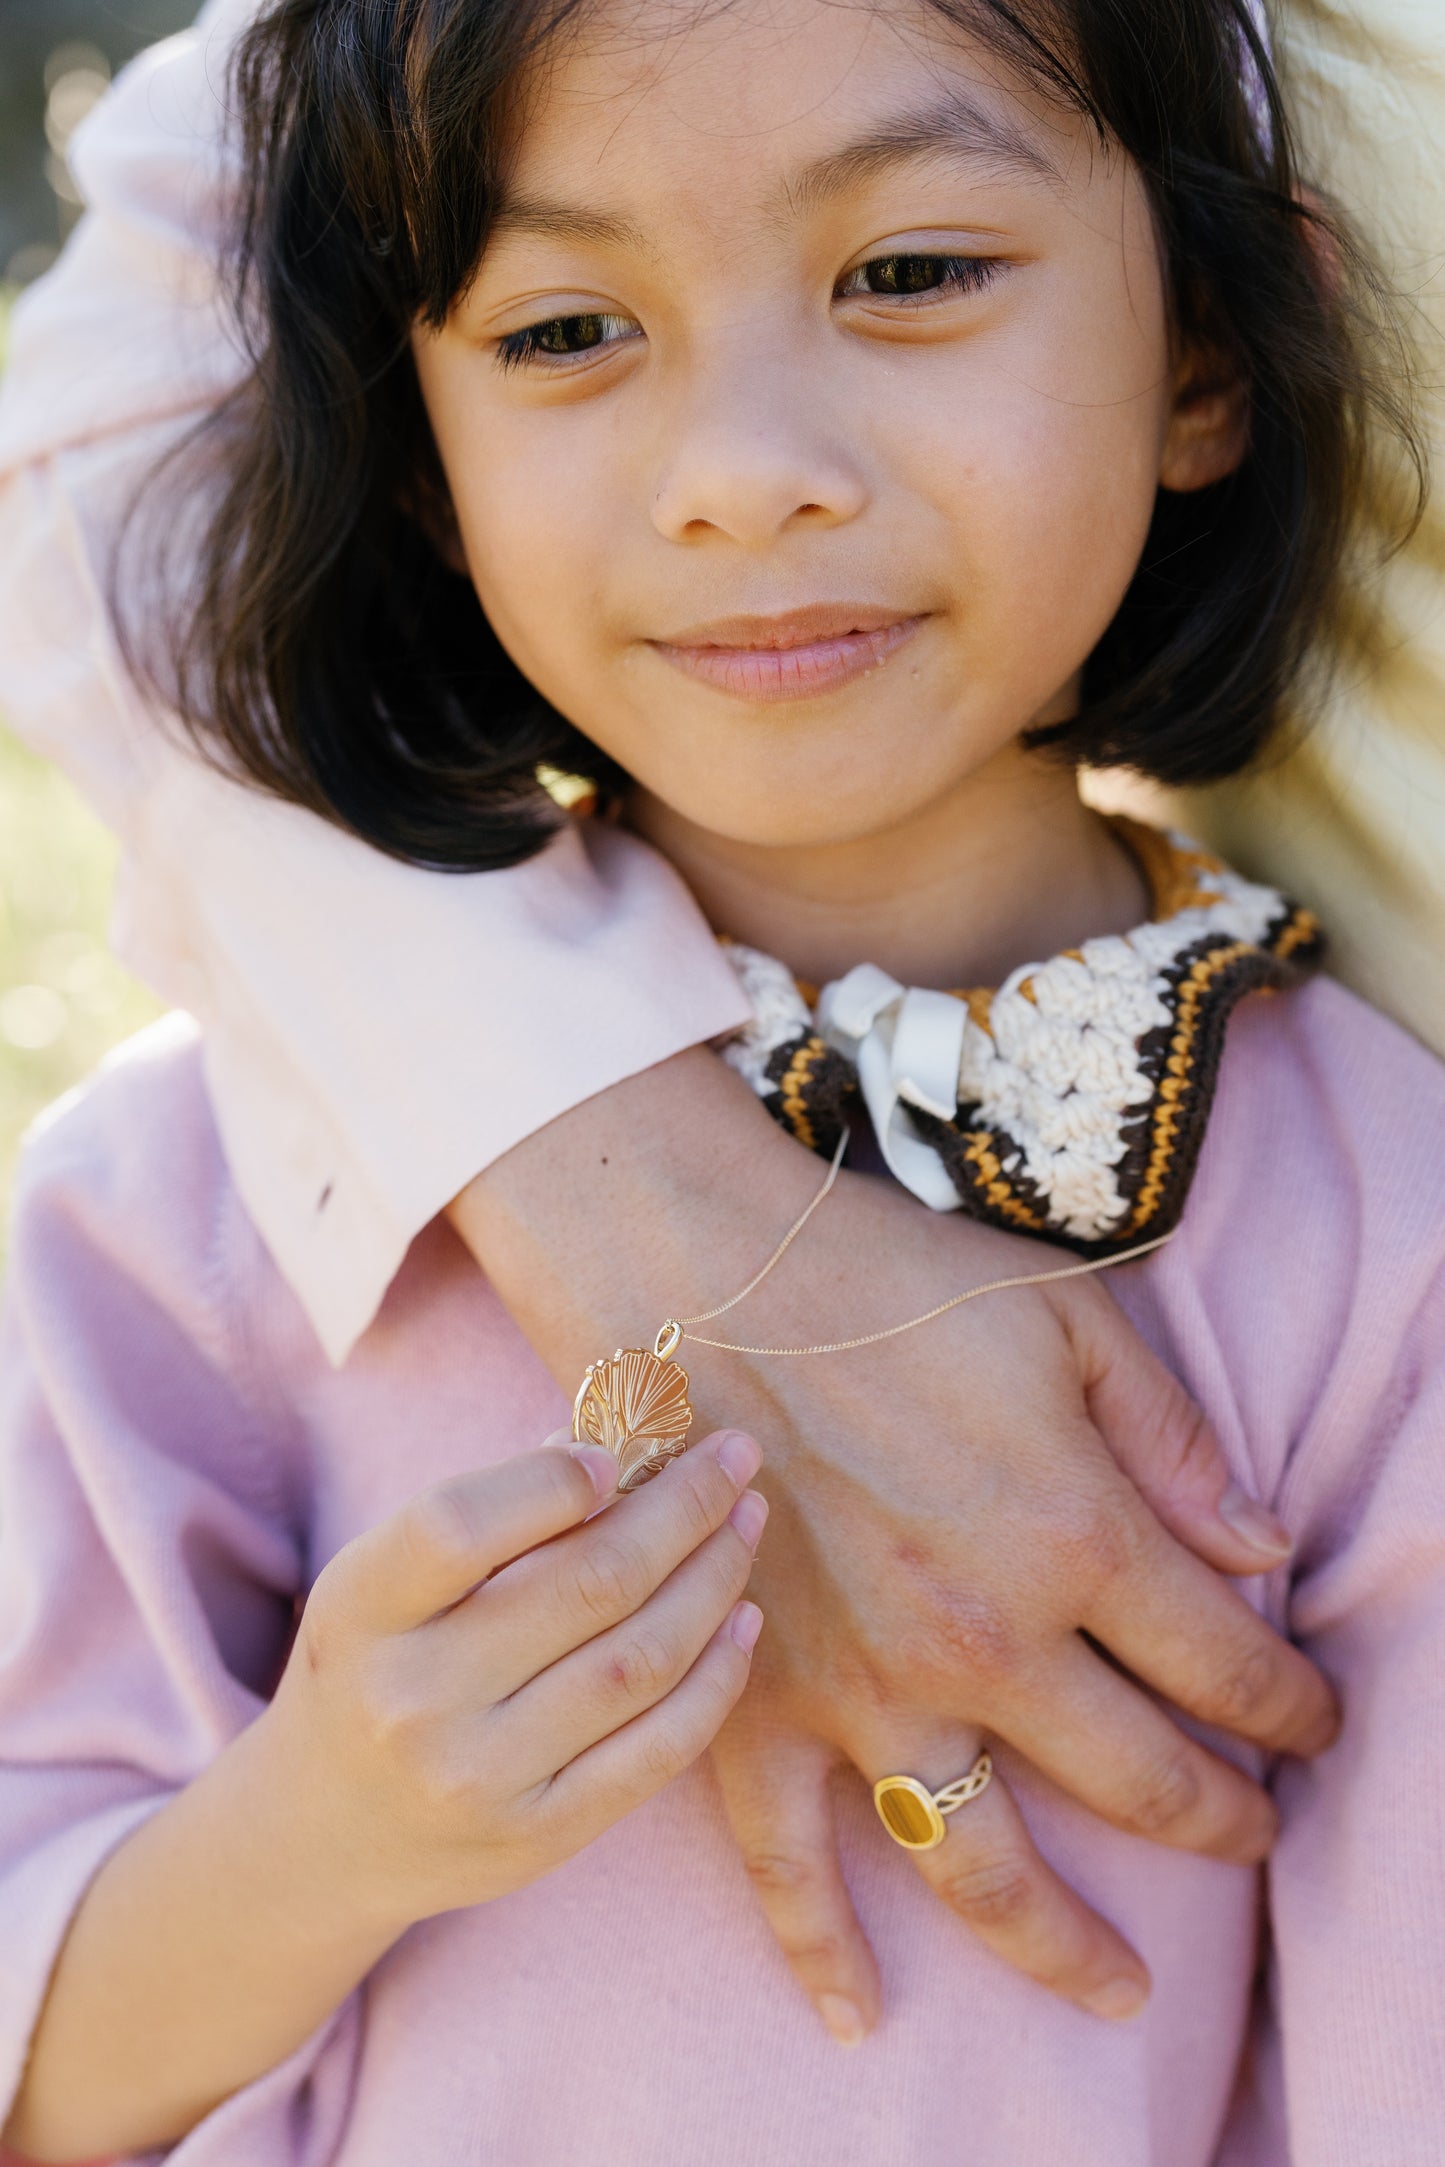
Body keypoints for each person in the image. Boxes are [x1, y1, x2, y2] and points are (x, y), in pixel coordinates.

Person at [2, 0, 1441, 2159]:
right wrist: (323, 1834)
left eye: (913, 273)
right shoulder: (180, 1204)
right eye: (569, 328)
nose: (741, 468)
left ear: (1213, 356)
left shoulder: (1380, 1225)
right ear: (419, 450)